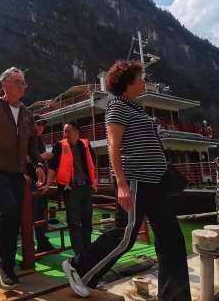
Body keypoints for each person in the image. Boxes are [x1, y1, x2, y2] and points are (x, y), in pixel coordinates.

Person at [62, 61, 190, 300]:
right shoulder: (117, 107)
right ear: (127, 83)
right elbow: (113, 146)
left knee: (172, 238)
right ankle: (77, 267)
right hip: (135, 181)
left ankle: (175, 297)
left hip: (156, 183)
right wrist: (121, 184)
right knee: (125, 235)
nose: (144, 82)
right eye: (140, 78)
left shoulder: (137, 108)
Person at [0, 67, 45, 288]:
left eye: (23, 82)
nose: (22, 86)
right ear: (4, 85)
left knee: (14, 219)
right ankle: (4, 265)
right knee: (10, 213)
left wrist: (38, 163)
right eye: (17, 81)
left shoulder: (26, 113)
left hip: (17, 173)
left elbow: (32, 142)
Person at [45, 120, 97, 255]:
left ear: (76, 132)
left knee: (87, 222)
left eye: (68, 131)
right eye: (64, 131)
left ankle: (88, 251)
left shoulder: (85, 145)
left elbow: (92, 162)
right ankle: (79, 255)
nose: (65, 134)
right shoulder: (59, 146)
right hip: (70, 189)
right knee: (74, 224)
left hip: (86, 187)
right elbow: (52, 167)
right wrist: (47, 184)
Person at [31, 115, 54, 253]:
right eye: (38, 124)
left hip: (40, 183)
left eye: (43, 124)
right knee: (32, 214)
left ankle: (42, 242)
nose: (40, 126)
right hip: (30, 183)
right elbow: (23, 158)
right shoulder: (27, 139)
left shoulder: (38, 140)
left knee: (40, 214)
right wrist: (41, 157)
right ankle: (32, 246)